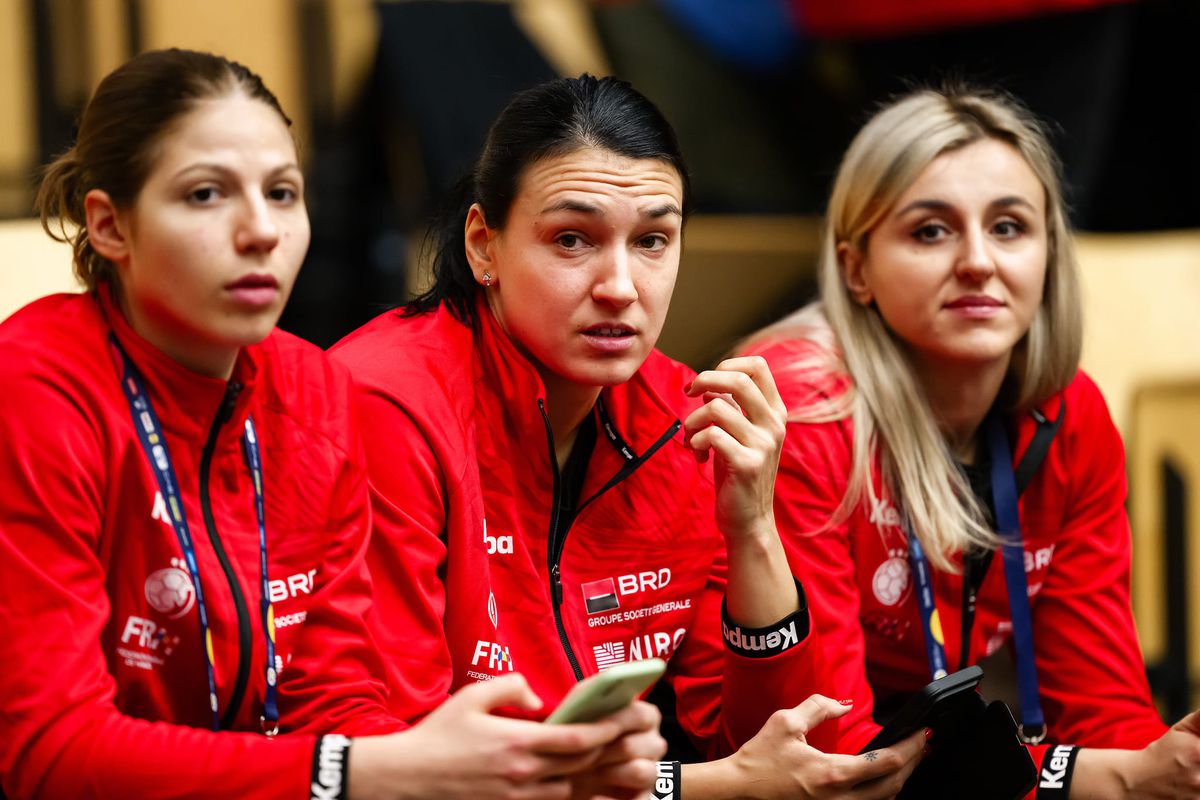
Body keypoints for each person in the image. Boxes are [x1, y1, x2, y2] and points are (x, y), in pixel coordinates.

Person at [0, 49, 663, 800]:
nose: (260, 231)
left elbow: (334, 697)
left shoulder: (311, 388)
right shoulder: (34, 389)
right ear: (110, 226)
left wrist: (491, 773)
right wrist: (361, 771)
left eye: (283, 193)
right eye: (207, 194)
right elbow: (48, 753)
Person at [330, 74, 925, 800]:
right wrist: (718, 787)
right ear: (483, 245)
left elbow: (790, 754)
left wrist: (753, 529)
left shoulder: (685, 417)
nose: (620, 285)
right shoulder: (385, 401)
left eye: (652, 240)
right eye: (572, 239)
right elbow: (401, 763)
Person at [742, 84, 1200, 798]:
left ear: (1049, 251)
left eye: (1011, 227)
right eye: (931, 231)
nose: (979, 262)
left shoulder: (1068, 416)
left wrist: (1163, 768)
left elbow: (1107, 716)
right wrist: (1104, 778)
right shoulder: (801, 414)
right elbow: (839, 759)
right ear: (855, 269)